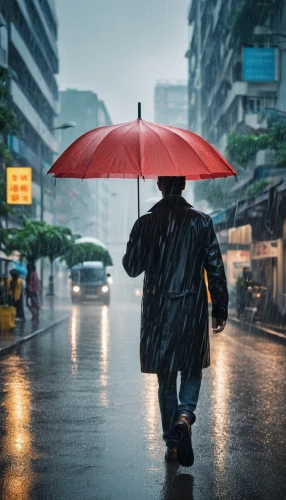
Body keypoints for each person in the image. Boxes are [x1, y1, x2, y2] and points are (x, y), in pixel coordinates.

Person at [123, 176, 228, 467]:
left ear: (159, 185)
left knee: (166, 378)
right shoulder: (202, 222)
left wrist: (138, 238)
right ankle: (184, 415)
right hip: (191, 309)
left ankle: (171, 444)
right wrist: (220, 307)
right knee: (192, 369)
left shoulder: (147, 223)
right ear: (183, 185)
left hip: (158, 312)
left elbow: (132, 268)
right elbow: (215, 267)